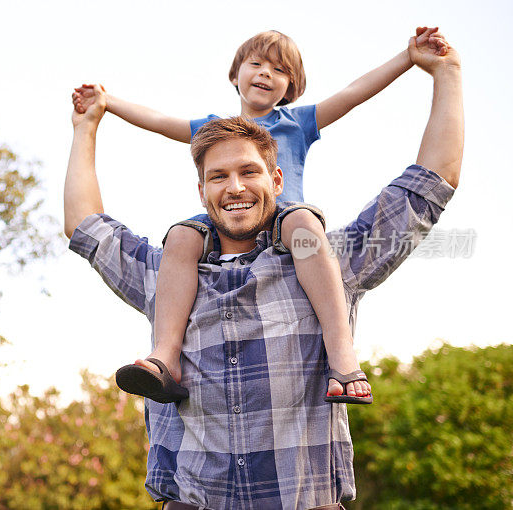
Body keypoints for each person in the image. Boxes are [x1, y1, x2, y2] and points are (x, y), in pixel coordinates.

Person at [63, 27, 462, 509]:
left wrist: (446, 73)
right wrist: (88, 125)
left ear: (275, 178)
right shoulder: (171, 272)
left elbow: (428, 187)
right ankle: (163, 357)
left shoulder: (329, 266)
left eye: (249, 172)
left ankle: (344, 360)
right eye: (218, 176)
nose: (234, 187)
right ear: (201, 191)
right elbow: (85, 225)